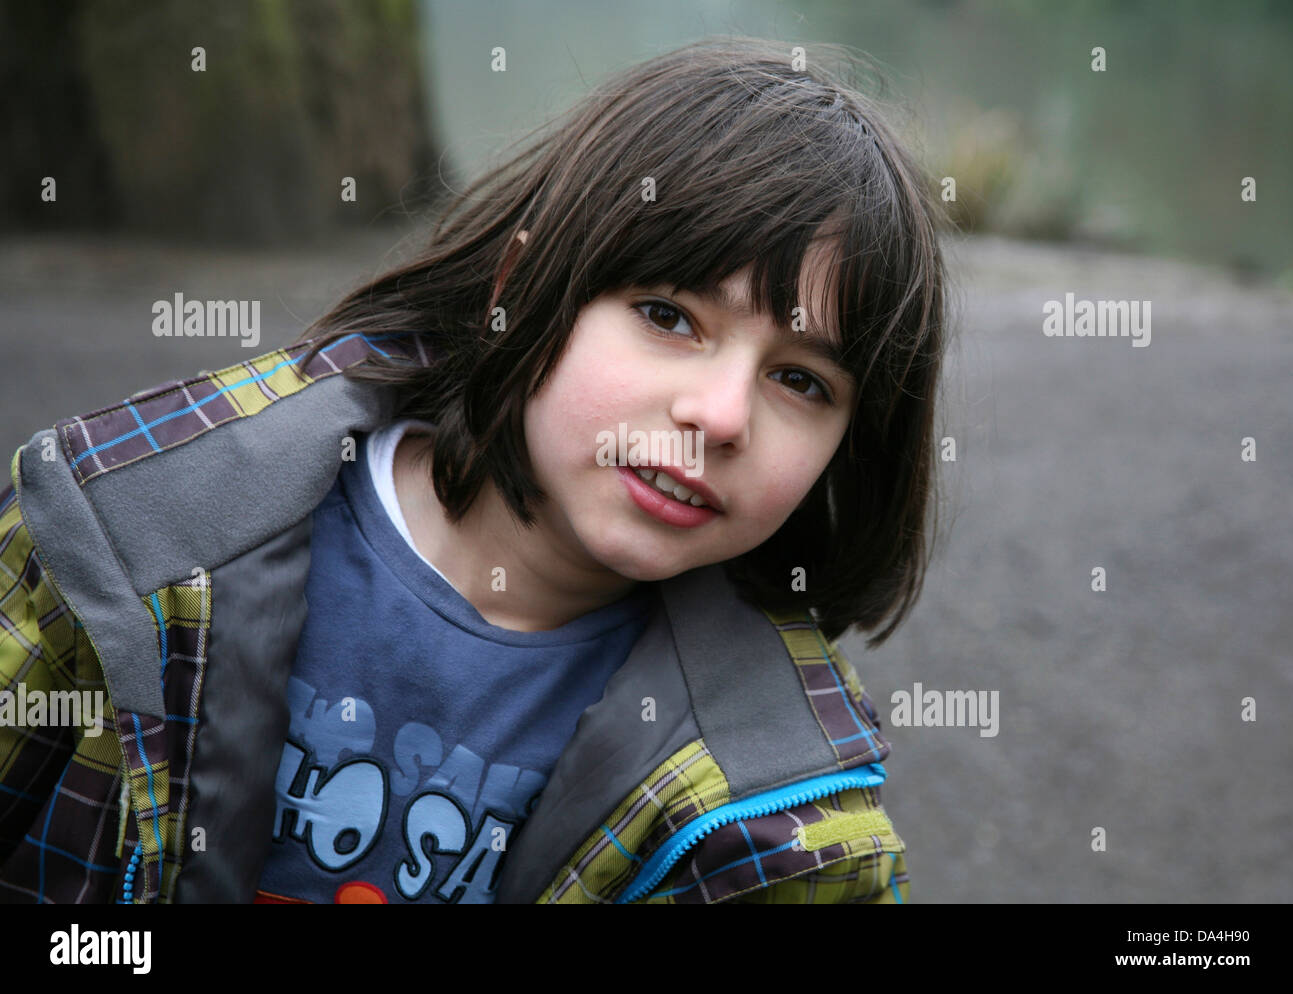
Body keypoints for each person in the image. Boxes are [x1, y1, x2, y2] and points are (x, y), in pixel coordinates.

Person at [0, 36, 948, 904]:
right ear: (521, 289)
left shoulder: (787, 823)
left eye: (800, 379)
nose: (722, 415)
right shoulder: (129, 534)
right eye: (669, 317)